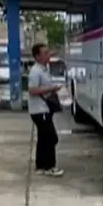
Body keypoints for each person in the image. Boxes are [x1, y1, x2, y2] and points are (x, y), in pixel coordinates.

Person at [27, 43, 64, 177]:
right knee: (50, 138)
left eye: (49, 53)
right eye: (45, 53)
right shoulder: (36, 71)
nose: (48, 55)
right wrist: (51, 89)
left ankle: (41, 165)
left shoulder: (44, 68)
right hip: (39, 110)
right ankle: (50, 166)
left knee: (43, 138)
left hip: (44, 110)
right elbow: (32, 90)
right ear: (37, 56)